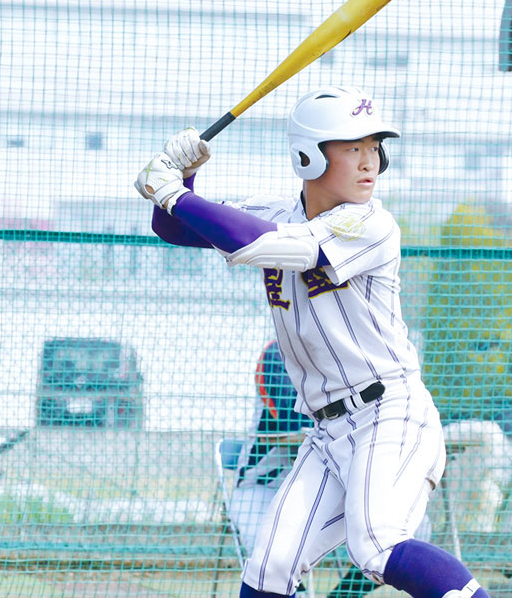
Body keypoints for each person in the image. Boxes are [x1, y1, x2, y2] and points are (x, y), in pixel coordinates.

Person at [138, 86, 490, 598]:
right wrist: (181, 175)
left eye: (374, 147)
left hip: (389, 413)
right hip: (327, 429)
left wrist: (173, 192)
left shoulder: (372, 223)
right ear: (308, 156)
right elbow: (174, 230)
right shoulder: (277, 210)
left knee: (376, 545)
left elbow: (252, 243)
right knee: (268, 571)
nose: (370, 162)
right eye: (352, 148)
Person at [232, 340, 410, 598]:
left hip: (333, 482)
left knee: (409, 526)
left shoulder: (361, 352)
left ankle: (343, 597)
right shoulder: (278, 353)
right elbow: (293, 423)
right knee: (267, 546)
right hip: (261, 486)